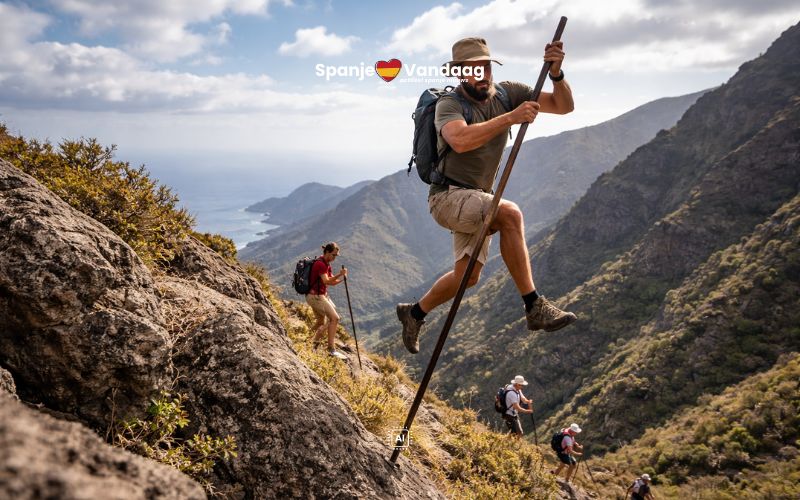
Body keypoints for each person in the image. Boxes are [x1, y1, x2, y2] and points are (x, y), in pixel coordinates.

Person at [397, 36, 577, 354]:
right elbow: (459, 140)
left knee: (468, 276)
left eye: (484, 67)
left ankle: (413, 313)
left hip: (479, 197)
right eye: (472, 69)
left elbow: (564, 107)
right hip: (447, 198)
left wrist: (557, 74)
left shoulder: (509, 93)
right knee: (509, 213)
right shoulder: (449, 104)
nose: (481, 75)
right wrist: (511, 117)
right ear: (460, 73)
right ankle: (534, 306)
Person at [306, 242, 348, 360]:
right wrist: (340, 274)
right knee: (334, 318)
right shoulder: (321, 265)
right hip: (316, 297)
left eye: (336, 256)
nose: (334, 258)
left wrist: (342, 278)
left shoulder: (326, 264)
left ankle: (308, 341)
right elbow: (326, 281)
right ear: (327, 252)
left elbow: (332, 282)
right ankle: (331, 348)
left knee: (320, 321)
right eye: (333, 255)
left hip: (316, 296)